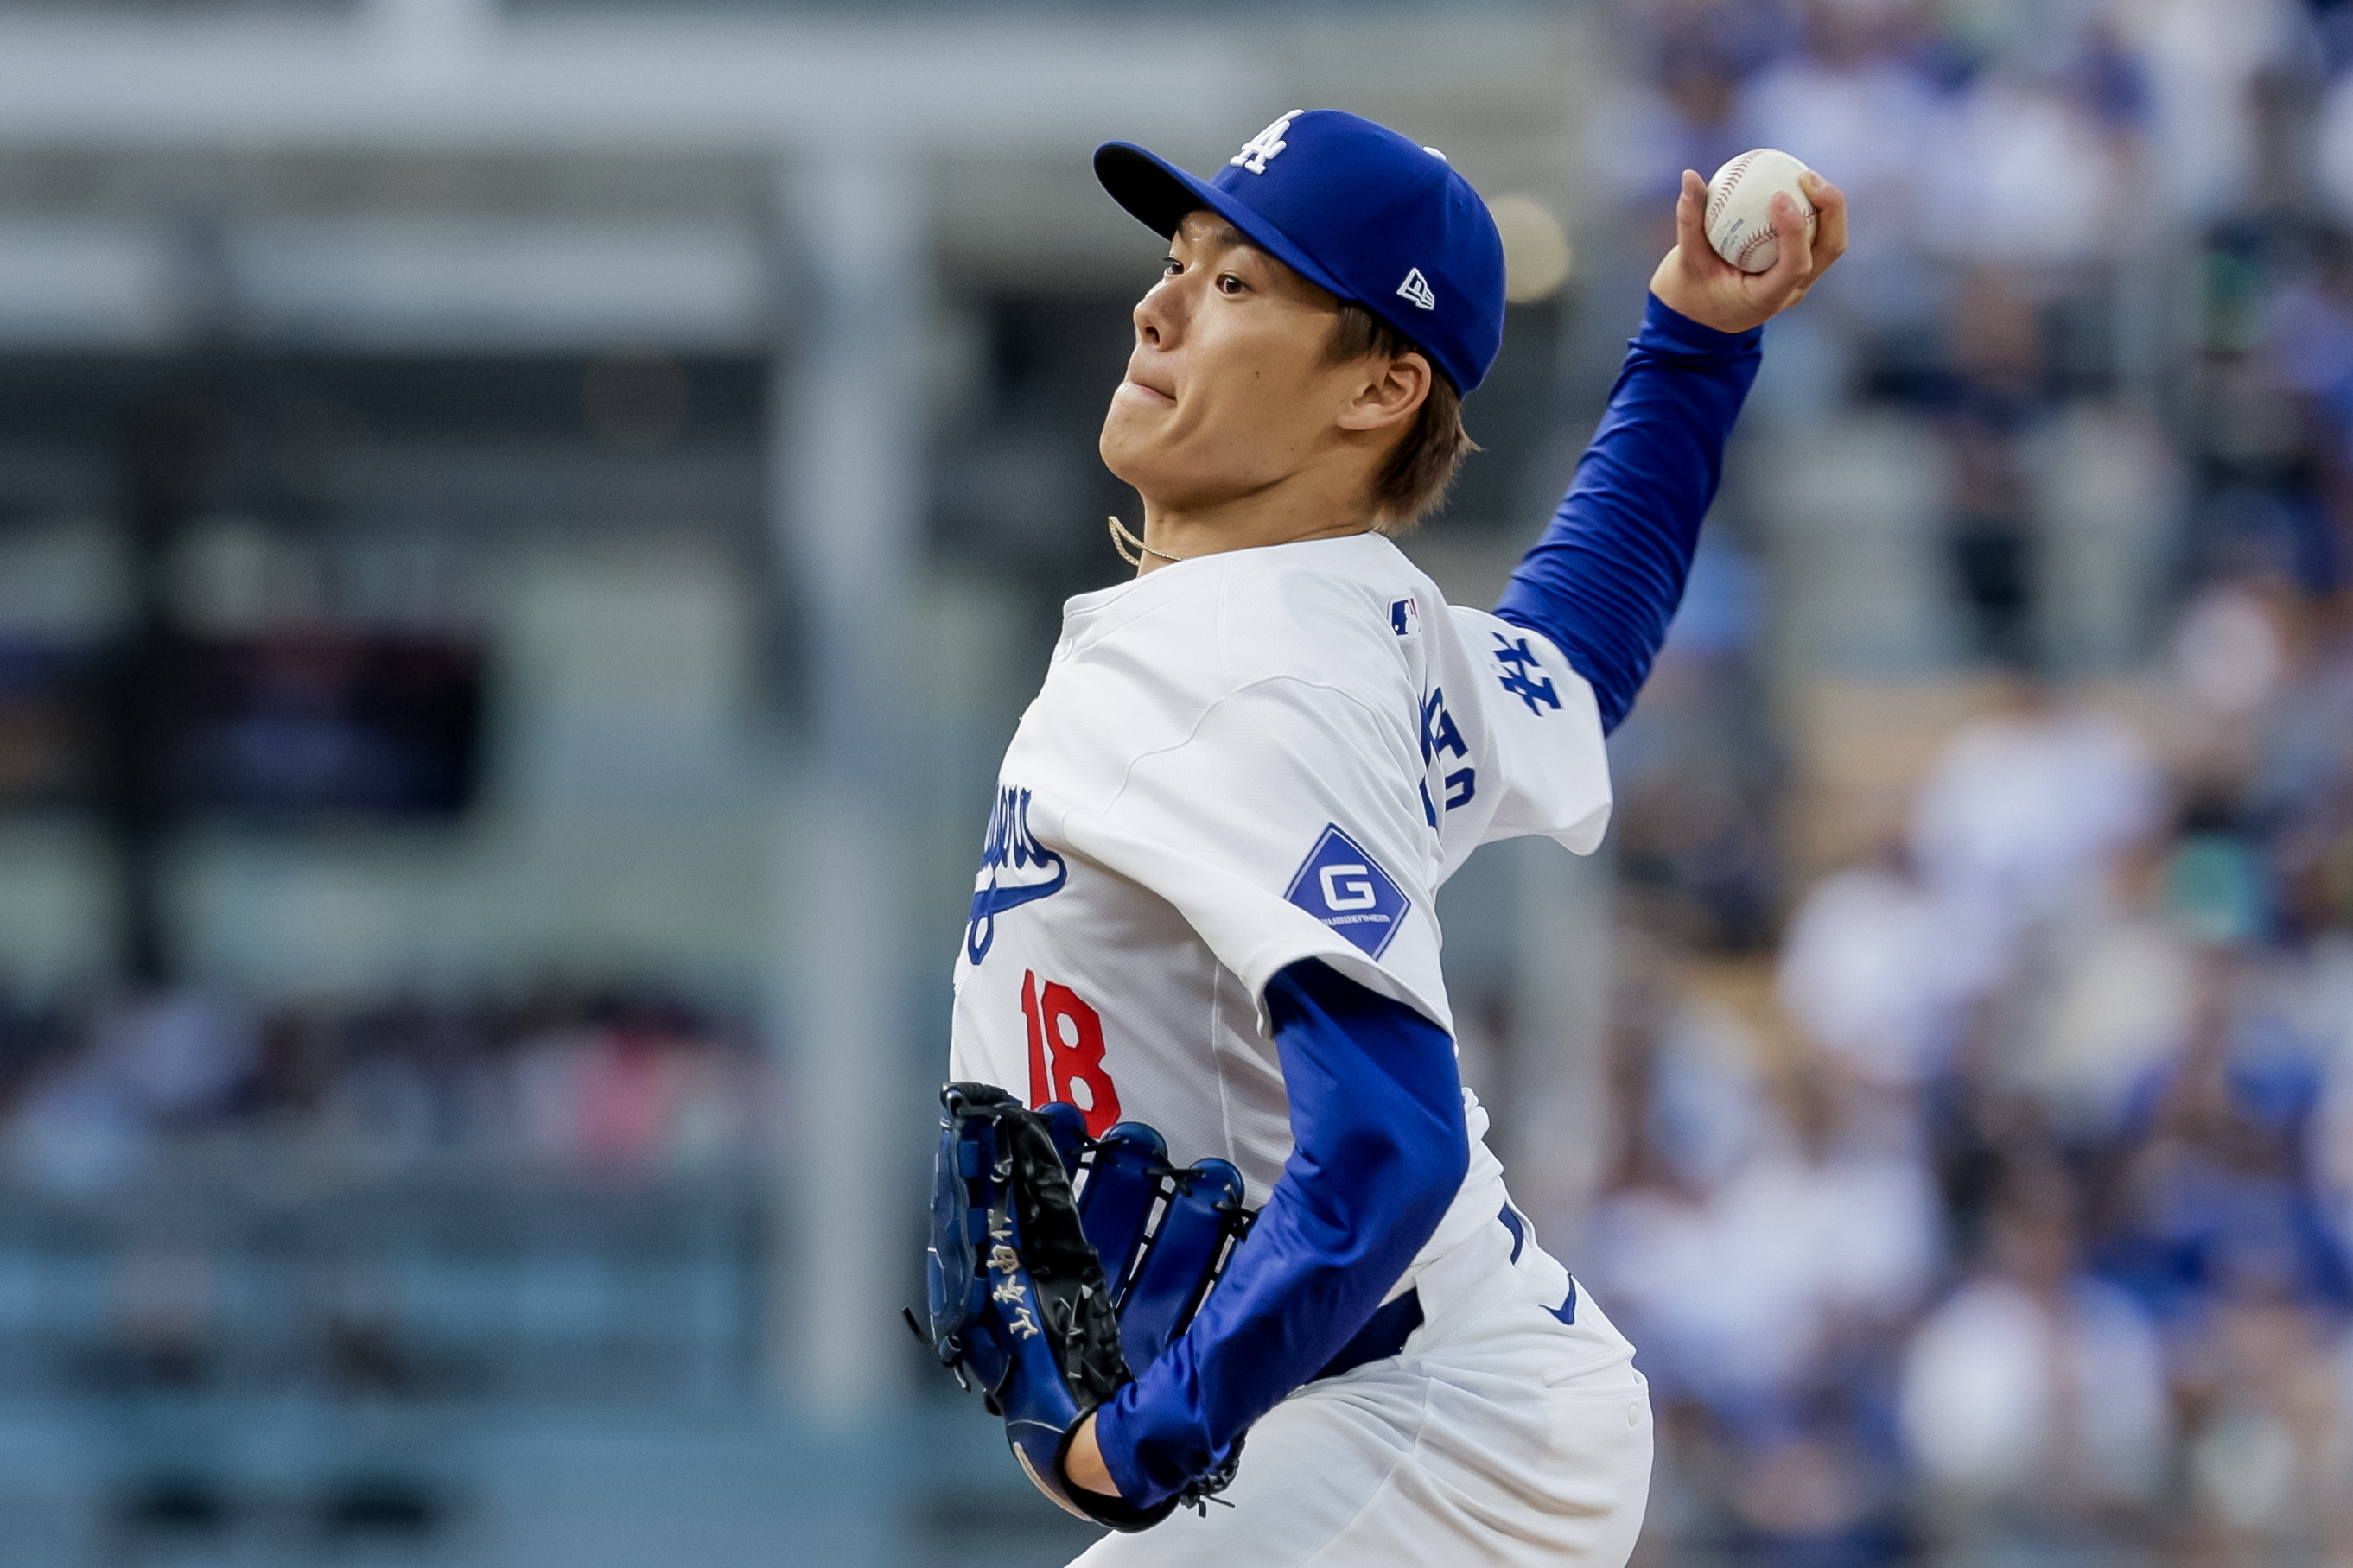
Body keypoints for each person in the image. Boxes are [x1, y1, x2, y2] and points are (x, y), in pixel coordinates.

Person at [944, 108, 1845, 1565]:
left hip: (1419, 1427)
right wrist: (1688, 346)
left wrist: (1147, 1437)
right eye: (1179, 260)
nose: (1157, 303)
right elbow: (1572, 652)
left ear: (1381, 388)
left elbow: (1395, 1140)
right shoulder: (1352, 625)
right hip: (1444, 1409)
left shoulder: (1233, 668)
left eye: (1237, 284)